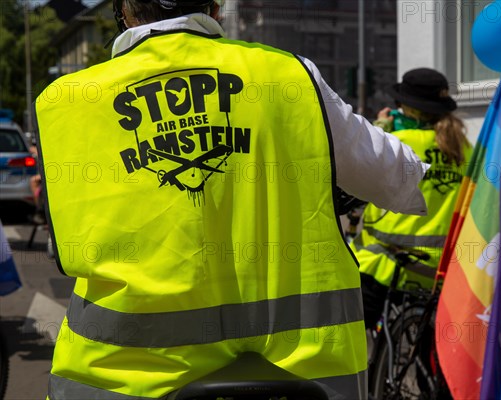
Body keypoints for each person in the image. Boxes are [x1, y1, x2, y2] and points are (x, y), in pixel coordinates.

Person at [34, 1, 429, 399]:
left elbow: (62, 246)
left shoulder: (65, 102)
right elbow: (402, 179)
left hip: (118, 383)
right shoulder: (289, 76)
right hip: (302, 381)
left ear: (122, 9)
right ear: (216, 5)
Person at [350, 67, 473, 329]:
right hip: (442, 271)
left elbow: (357, 175)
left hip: (386, 266)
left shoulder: (397, 141)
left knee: (353, 336)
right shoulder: (465, 148)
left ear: (407, 108)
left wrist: (379, 129)